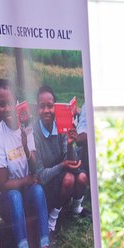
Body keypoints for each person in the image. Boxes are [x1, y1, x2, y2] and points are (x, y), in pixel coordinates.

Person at [0, 79, 53, 248]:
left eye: (10, 102)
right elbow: (1, 183)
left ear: (16, 101)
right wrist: (26, 180)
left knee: (38, 191)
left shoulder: (26, 126)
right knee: (15, 196)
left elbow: (34, 168)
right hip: (9, 201)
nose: (6, 108)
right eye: (1, 104)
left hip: (27, 191)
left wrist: (25, 145)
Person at [33, 84, 89, 232]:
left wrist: (70, 145)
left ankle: (75, 208)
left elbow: (73, 162)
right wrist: (63, 165)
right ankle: (53, 217)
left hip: (62, 173)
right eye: (42, 106)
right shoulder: (34, 133)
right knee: (69, 178)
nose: (46, 110)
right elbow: (41, 176)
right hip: (47, 183)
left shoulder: (61, 125)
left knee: (82, 177)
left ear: (55, 107)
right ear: (37, 109)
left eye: (50, 106)